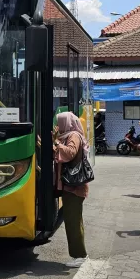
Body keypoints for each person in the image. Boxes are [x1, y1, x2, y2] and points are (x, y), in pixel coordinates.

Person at [53, 111, 89, 267]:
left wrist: (56, 143)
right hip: (71, 186)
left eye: (60, 122)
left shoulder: (73, 135)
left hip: (74, 186)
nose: (58, 125)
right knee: (73, 220)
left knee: (73, 222)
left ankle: (80, 256)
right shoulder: (67, 135)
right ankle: (79, 255)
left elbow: (70, 153)